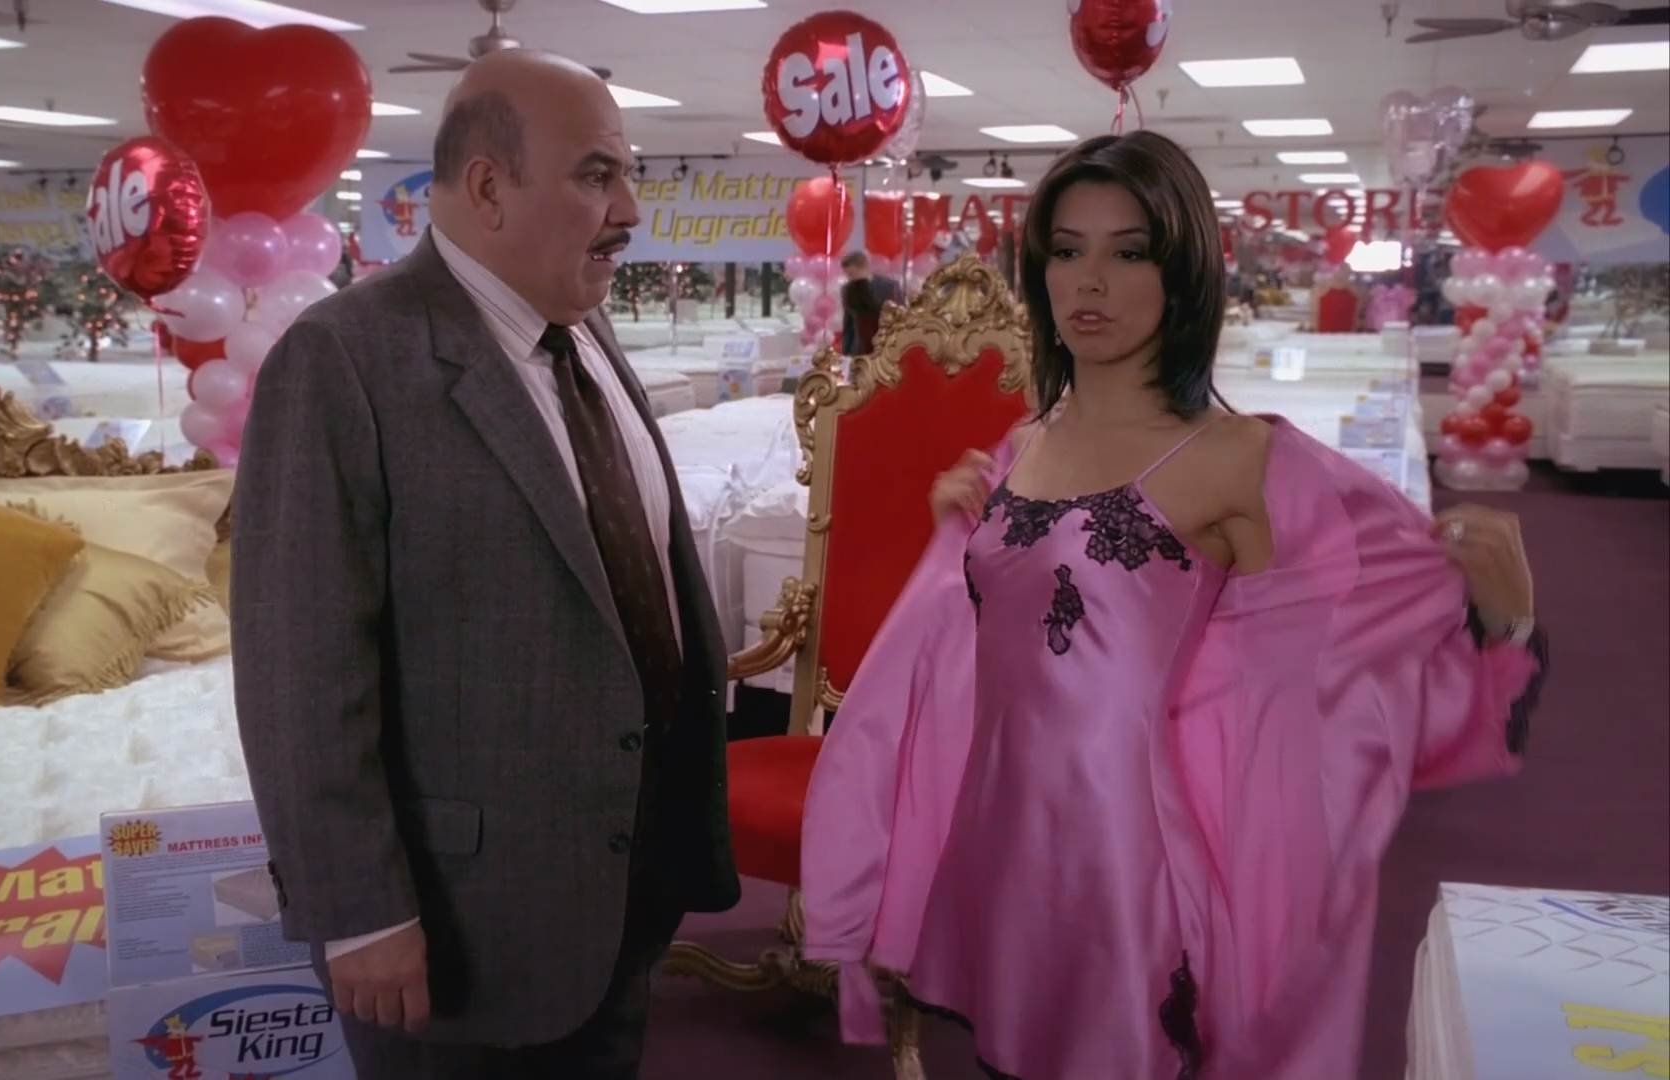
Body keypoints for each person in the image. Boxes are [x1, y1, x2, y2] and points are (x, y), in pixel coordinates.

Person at [799, 130, 1547, 1079]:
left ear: (1184, 272)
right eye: (1066, 250)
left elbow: (1351, 658)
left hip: (1123, 860)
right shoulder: (1023, 442)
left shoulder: (1242, 461)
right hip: (1001, 834)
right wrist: (963, 540)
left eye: (1130, 252)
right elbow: (1009, 638)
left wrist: (1505, 621)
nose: (1090, 282)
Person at [230, 49, 739, 1079]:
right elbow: (299, 666)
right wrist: (359, 911)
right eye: (597, 174)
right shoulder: (345, 359)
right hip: (463, 924)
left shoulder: (584, 331)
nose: (630, 209)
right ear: (490, 187)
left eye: (628, 173)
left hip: (628, 881)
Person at [839, 250, 899, 356]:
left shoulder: (890, 286)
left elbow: (899, 316)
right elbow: (848, 323)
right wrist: (845, 352)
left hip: (885, 347)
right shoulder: (847, 289)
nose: (850, 278)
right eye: (847, 275)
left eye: (852, 274)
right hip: (859, 349)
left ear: (864, 267)